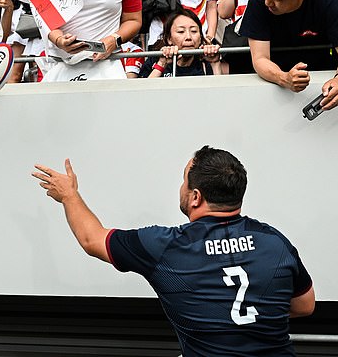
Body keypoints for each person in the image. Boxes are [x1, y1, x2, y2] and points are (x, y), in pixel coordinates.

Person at [32, 146, 315, 357]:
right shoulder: (275, 242)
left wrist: (69, 195)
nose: (181, 187)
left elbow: (91, 239)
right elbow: (305, 306)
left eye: (184, 181)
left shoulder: (165, 247)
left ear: (195, 197)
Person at [137, 9, 221, 77]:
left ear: (200, 37)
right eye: (181, 31)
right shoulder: (155, 60)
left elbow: (220, 95)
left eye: (194, 31)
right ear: (169, 38)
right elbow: (143, 94)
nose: (188, 37)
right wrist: (161, 64)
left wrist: (215, 63)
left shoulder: (206, 63)